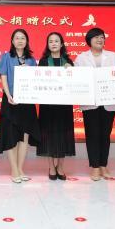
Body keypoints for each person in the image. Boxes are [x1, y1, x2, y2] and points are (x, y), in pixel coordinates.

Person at [75, 27, 115, 181]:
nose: (100, 39)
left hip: (108, 101)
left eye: (102, 37)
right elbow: (77, 78)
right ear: (89, 40)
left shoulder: (113, 56)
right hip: (90, 102)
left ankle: (103, 165)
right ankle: (95, 167)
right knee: (92, 134)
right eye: (96, 37)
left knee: (105, 135)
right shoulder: (81, 58)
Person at [0, 29, 41, 183]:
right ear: (12, 41)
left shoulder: (31, 60)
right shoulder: (6, 57)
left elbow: (35, 80)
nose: (20, 40)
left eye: (23, 38)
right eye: (17, 38)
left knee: (24, 136)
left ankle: (20, 168)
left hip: (27, 102)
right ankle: (14, 169)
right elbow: (3, 76)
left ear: (26, 41)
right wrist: (8, 95)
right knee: (11, 135)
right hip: (10, 100)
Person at [37, 32, 76, 181]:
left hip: (64, 105)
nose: (53, 44)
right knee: (48, 135)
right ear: (48, 45)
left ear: (61, 44)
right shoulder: (43, 62)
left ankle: (60, 166)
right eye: (51, 41)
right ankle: (51, 167)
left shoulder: (68, 61)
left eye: (56, 41)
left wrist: (71, 70)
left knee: (63, 135)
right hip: (47, 105)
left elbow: (75, 82)